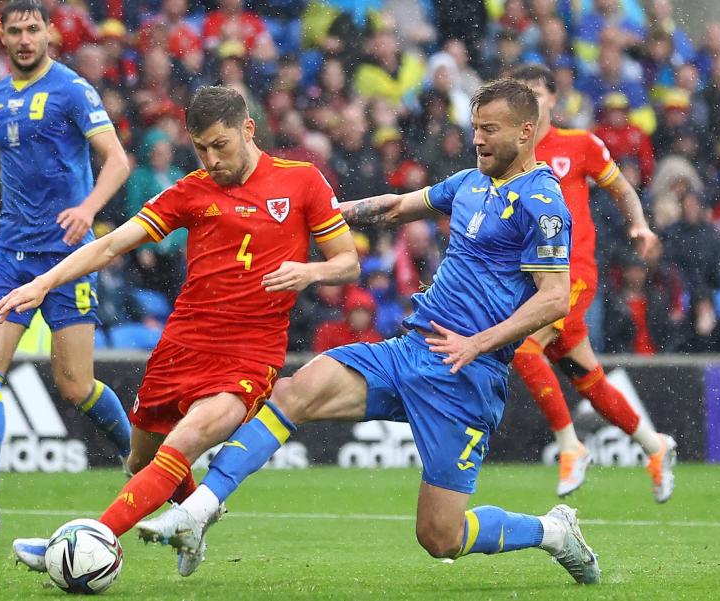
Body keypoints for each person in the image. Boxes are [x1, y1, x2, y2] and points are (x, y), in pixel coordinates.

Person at [139, 79, 601, 585]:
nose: (478, 139)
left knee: (439, 538)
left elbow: (554, 297)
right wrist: (319, 213)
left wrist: (478, 342)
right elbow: (397, 206)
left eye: (490, 130)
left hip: (466, 375)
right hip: (411, 349)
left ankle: (552, 532)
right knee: (298, 390)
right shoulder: (469, 183)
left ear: (526, 131)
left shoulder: (543, 201)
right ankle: (198, 510)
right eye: (475, 128)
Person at [0, 85, 359, 574]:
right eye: (201, 148)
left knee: (182, 443)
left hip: (250, 353)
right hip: (183, 345)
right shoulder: (191, 191)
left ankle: (85, 542)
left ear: (247, 130)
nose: (211, 159)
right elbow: (110, 246)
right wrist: (43, 283)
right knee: (141, 462)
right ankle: (194, 519)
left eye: (220, 145)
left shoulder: (303, 182)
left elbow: (348, 262)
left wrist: (309, 272)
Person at [0, 0, 133, 538]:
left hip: (69, 256)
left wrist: (88, 209)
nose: (23, 39)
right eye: (14, 31)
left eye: (32, 29)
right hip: (12, 256)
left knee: (76, 387)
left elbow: (117, 161)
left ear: (49, 33)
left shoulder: (72, 90)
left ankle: (146, 462)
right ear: (1, 36)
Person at [509, 64, 676, 501]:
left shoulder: (578, 144)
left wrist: (639, 225)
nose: (529, 101)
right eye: (520, 95)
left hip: (573, 275)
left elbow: (621, 188)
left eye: (535, 93)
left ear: (551, 99)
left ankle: (570, 446)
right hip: (531, 279)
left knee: (523, 347)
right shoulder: (509, 156)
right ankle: (655, 447)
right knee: (590, 381)